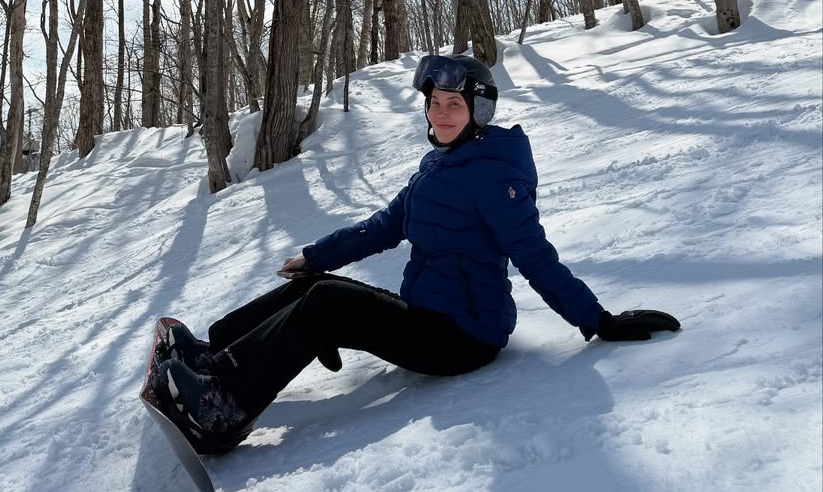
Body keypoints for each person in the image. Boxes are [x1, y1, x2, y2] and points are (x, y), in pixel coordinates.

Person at [157, 54, 680, 453]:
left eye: (455, 105)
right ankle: (211, 355)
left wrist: (599, 320)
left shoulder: (497, 176)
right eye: (435, 103)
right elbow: (385, 226)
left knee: (330, 304)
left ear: (477, 112)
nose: (442, 113)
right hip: (428, 315)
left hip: (463, 337)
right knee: (316, 286)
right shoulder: (438, 167)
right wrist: (319, 255)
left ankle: (220, 412)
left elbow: (536, 258)